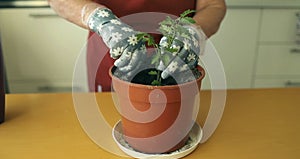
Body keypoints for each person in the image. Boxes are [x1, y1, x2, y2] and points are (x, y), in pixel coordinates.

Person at [48, 0, 226, 92]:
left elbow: (213, 4)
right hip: (112, 53)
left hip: (176, 56)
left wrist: (192, 33)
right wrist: (102, 20)